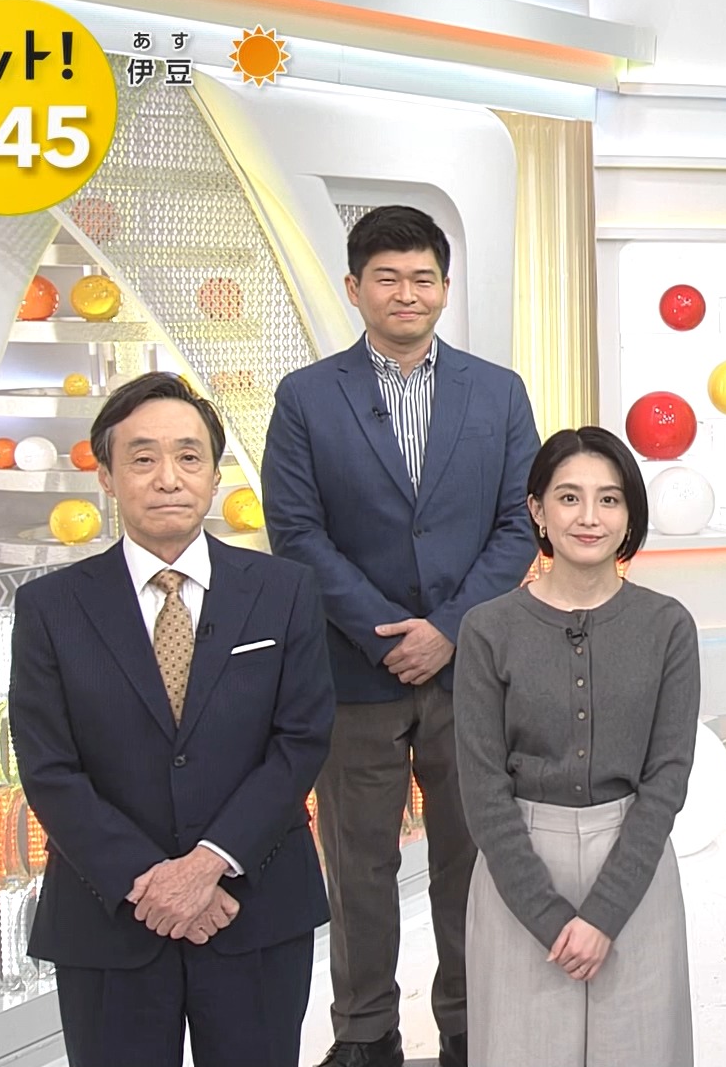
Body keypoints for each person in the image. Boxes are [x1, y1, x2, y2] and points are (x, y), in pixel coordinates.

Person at [263, 205, 541, 1067]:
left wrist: (448, 630)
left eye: (423, 278)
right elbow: (296, 532)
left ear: (446, 289)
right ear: (355, 288)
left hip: (469, 672)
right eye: (387, 278)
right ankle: (363, 1032)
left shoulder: (498, 392)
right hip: (354, 672)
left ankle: (468, 1023)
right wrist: (388, 634)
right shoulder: (306, 397)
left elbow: (521, 521)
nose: (406, 293)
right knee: (358, 868)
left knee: (472, 859)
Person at [11, 373, 334, 1067]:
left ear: (214, 476)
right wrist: (150, 881)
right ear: (106, 476)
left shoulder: (284, 590)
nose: (168, 478)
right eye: (143, 458)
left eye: (189, 457)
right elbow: (48, 767)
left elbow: (301, 741)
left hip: (252, 904)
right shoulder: (50, 608)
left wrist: (209, 865)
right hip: (109, 916)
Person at [454, 427, 698, 1067]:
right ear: (537, 510)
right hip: (519, 869)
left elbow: (668, 778)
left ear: (629, 515)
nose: (589, 517)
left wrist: (604, 915)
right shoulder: (487, 628)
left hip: (635, 866)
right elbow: (483, 790)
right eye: (569, 497)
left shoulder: (668, 625)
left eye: (609, 499)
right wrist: (548, 917)